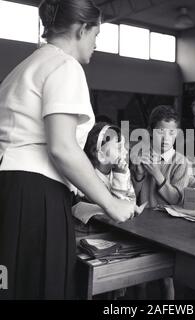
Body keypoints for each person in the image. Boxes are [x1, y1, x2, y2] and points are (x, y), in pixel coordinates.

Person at [0, 0, 137, 300]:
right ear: (81, 29)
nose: (96, 45)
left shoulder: (23, 68)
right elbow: (62, 148)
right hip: (36, 196)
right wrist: (112, 204)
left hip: (10, 192)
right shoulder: (65, 65)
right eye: (96, 36)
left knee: (13, 287)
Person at [131, 105, 190, 300]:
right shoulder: (142, 156)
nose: (165, 138)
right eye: (160, 133)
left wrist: (156, 174)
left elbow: (176, 199)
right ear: (150, 132)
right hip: (142, 226)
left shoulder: (181, 162)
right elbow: (134, 196)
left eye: (171, 133)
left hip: (168, 228)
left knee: (166, 278)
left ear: (177, 134)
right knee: (140, 280)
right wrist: (139, 175)